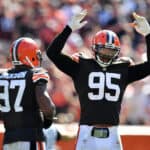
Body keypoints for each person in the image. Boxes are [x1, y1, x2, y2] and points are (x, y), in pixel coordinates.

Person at [46, 9, 150, 150]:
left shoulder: (122, 69)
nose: (107, 55)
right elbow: (52, 53)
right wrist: (68, 29)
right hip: (87, 132)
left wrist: (148, 34)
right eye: (103, 51)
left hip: (112, 132)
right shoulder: (82, 66)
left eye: (111, 52)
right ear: (94, 49)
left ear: (117, 53)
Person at [0, 37, 56, 150]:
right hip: (31, 138)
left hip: (9, 140)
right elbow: (46, 106)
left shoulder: (2, 77)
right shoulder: (36, 74)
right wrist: (48, 119)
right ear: (30, 55)